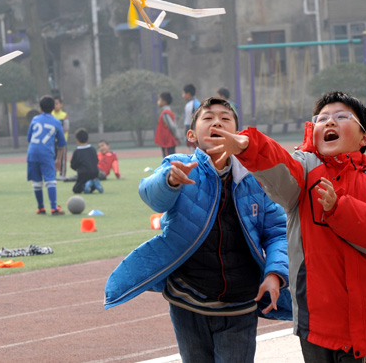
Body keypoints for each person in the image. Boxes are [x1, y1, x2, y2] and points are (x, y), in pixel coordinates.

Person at [205, 91, 366, 362]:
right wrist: (249, 147)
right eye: (321, 118)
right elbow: (281, 170)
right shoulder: (303, 170)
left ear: (364, 138)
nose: (329, 122)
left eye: (341, 117)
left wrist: (340, 208)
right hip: (318, 322)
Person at [104, 97, 292, 363]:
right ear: (192, 135)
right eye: (208, 117)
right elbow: (152, 196)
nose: (217, 121)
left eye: (225, 118)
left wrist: (275, 273)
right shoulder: (178, 165)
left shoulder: (254, 178)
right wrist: (170, 181)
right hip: (187, 300)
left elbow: (276, 232)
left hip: (240, 304)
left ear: (238, 135)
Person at [27, 96, 67, 215]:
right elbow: (61, 144)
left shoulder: (34, 119)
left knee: (37, 182)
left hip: (32, 153)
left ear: (40, 108)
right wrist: (58, 159)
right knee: (50, 180)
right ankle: (54, 208)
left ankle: (41, 208)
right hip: (46, 153)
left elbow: (29, 138)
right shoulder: (56, 122)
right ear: (53, 108)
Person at [71, 128, 103, 194]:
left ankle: (85, 186)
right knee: (90, 186)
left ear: (77, 140)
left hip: (83, 173)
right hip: (95, 172)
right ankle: (95, 184)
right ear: (88, 138)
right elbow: (96, 161)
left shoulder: (77, 151)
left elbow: (73, 165)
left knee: (76, 189)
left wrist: (76, 167)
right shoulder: (93, 149)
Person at [155, 92, 179, 158]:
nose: (158, 102)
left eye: (159, 100)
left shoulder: (165, 113)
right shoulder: (167, 112)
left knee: (168, 160)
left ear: (164, 102)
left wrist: (177, 137)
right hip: (167, 142)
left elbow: (172, 126)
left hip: (167, 142)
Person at [52, 96, 70, 180]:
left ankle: (62, 174)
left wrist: (58, 133)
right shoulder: (50, 115)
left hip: (62, 141)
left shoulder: (64, 115)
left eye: (57, 104)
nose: (55, 106)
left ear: (61, 104)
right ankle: (53, 174)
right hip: (51, 141)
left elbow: (66, 128)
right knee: (53, 157)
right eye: (54, 104)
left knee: (62, 159)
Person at [182, 84, 200, 151]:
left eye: (183, 93)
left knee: (194, 153)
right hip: (196, 132)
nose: (183, 95)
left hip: (194, 132)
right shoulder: (197, 103)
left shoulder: (191, 104)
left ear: (188, 94)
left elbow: (188, 121)